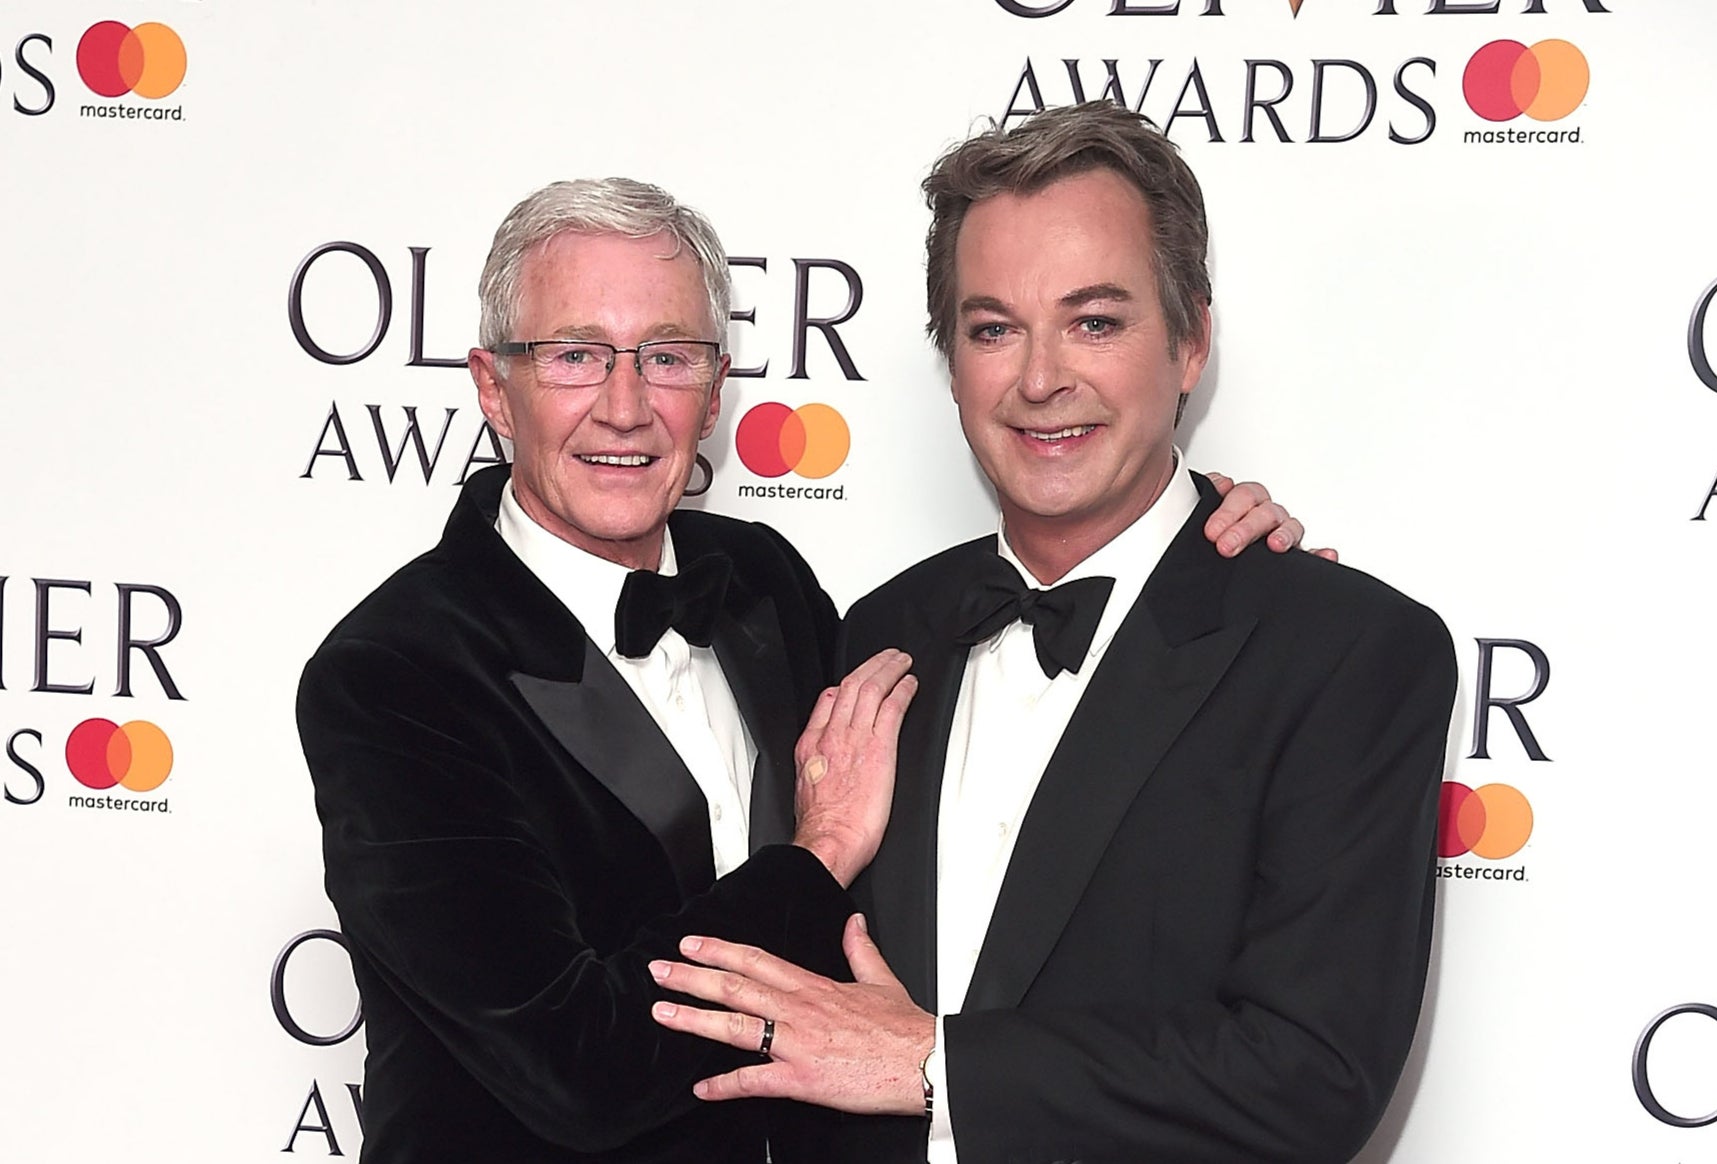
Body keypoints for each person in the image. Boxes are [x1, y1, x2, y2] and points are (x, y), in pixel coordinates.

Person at [296, 175, 1309, 1163]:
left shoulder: (762, 584)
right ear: (493, 389)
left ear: (715, 388)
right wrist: (814, 858)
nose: (624, 405)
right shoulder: (394, 675)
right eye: (573, 356)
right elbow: (575, 1068)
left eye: (667, 356)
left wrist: (1186, 541)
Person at [650, 102, 1459, 1164]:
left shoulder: (1345, 652)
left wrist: (934, 1067)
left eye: (1096, 321)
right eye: (994, 329)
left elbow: (1310, 1078)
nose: (1040, 380)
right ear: (952, 362)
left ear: (1190, 340)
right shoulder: (879, 631)